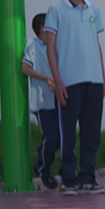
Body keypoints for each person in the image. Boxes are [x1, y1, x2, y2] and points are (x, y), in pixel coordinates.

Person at [45, 0, 105, 196]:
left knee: (91, 133)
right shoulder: (56, 10)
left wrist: (102, 77)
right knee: (68, 133)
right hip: (69, 81)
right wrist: (57, 80)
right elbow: (51, 47)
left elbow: (96, 45)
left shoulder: (93, 9)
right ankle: (68, 179)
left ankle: (88, 178)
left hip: (94, 80)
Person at [22, 13, 60, 190]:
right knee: (51, 138)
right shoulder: (33, 45)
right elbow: (25, 68)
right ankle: (42, 169)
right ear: (44, 29)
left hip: (59, 100)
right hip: (42, 102)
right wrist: (46, 78)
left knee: (62, 140)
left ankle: (65, 174)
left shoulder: (57, 44)